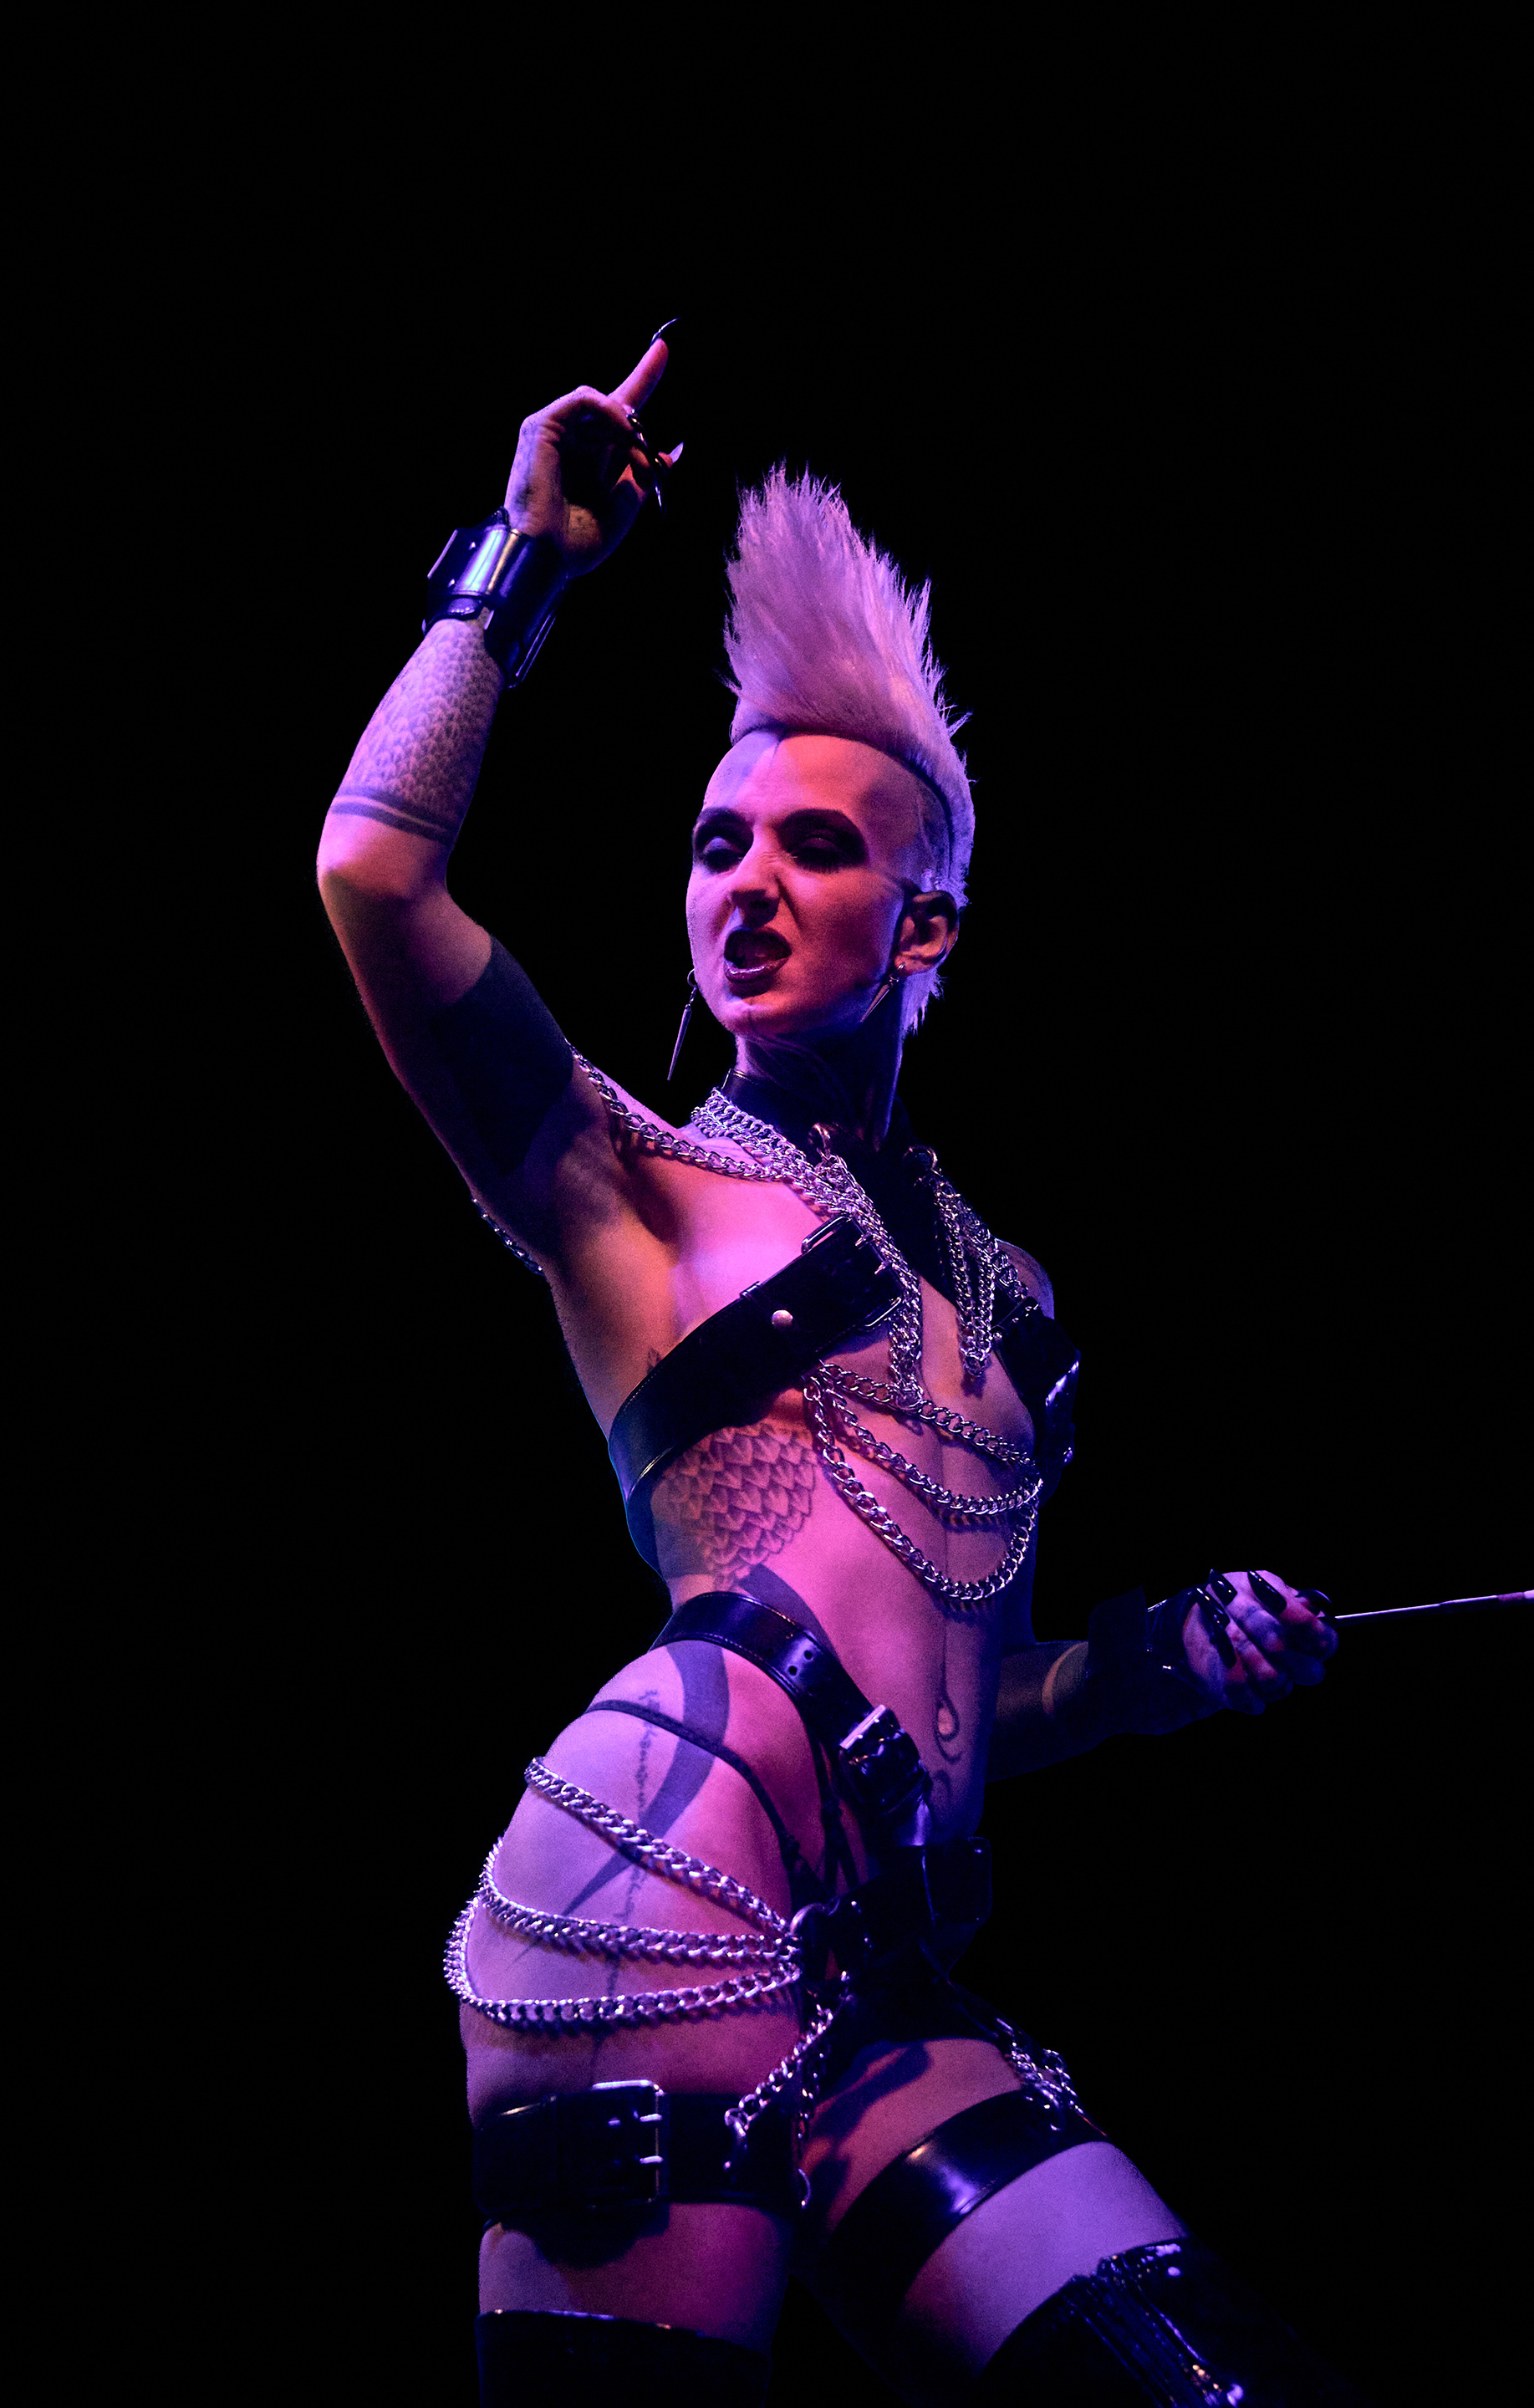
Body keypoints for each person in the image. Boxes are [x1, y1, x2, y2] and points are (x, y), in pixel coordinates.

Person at [317, 334, 1359, 2406]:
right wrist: (518, 571)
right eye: (717, 846)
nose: (747, 890)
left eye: (811, 848)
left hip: (877, 1960)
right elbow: (372, 872)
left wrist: (1151, 1664)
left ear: (927, 928)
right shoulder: (628, 1182)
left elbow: (970, 1708)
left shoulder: (1012, 1303)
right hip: (653, 1885)